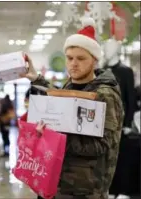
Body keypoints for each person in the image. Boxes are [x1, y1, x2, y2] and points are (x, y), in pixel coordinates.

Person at [20, 17, 124, 199]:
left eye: (81, 58)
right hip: (57, 182)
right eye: (69, 58)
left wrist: (54, 138)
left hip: (85, 189)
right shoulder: (71, 86)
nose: (74, 64)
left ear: (94, 60)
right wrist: (36, 79)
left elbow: (102, 146)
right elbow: (61, 101)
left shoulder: (104, 94)